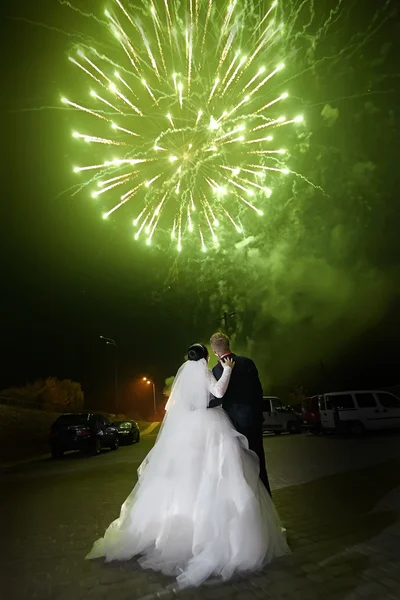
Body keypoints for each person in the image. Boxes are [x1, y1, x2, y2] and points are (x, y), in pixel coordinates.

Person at [86, 344, 289, 588]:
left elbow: (169, 407)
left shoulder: (182, 379)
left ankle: (174, 527)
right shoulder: (205, 371)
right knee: (216, 471)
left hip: (187, 429)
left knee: (187, 476)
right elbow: (219, 392)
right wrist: (226, 370)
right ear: (205, 357)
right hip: (209, 425)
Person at [209, 332, 271, 495]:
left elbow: (217, 398)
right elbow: (258, 391)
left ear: (215, 352)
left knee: (239, 463)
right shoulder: (247, 362)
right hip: (252, 419)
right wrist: (259, 413)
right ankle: (265, 498)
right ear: (229, 345)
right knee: (258, 460)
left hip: (231, 422)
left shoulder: (216, 370)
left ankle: (245, 499)